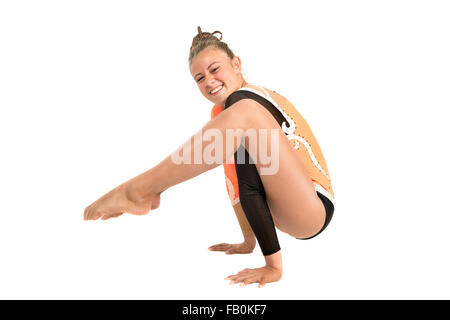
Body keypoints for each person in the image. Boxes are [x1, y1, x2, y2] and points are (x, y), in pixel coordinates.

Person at [83, 26, 335, 288]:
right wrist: (248, 240)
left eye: (215, 70)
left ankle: (140, 190)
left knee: (243, 111)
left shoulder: (246, 101)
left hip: (313, 207)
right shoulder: (226, 117)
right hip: (287, 210)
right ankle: (141, 191)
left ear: (236, 64)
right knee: (228, 122)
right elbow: (239, 181)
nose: (208, 81)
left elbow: (249, 179)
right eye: (199, 78)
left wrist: (273, 267)